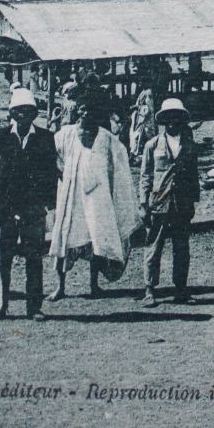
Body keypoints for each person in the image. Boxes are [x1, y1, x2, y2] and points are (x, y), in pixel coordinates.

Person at [50, 98, 141, 300]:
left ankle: (94, 285)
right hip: (71, 197)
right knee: (65, 239)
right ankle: (60, 287)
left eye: (91, 110)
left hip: (97, 199)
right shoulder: (66, 134)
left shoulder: (106, 138)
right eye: (83, 109)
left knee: (95, 239)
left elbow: (119, 162)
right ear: (77, 111)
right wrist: (61, 170)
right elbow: (51, 153)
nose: (86, 114)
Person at [0, 86, 59, 320]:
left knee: (33, 259)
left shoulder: (46, 138)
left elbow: (50, 174)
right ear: (12, 113)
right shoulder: (0, 138)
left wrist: (47, 203)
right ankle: (0, 306)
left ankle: (34, 307)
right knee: (3, 259)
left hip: (33, 209)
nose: (22, 114)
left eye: (27, 110)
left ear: (35, 113)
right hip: (5, 208)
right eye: (18, 111)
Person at [140, 99, 201, 306]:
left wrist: (193, 201)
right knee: (153, 247)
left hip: (181, 204)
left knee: (181, 247)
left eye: (177, 118)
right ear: (164, 121)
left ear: (182, 120)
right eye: (169, 119)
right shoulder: (152, 145)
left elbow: (193, 175)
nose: (173, 122)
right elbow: (146, 176)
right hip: (158, 202)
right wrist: (143, 203)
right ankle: (149, 289)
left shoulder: (190, 146)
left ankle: (181, 289)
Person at [129, 84, 158, 162]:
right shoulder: (143, 92)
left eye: (143, 82)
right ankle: (133, 156)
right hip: (141, 120)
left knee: (148, 139)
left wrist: (137, 107)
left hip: (146, 121)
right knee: (137, 138)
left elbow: (149, 109)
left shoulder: (148, 93)